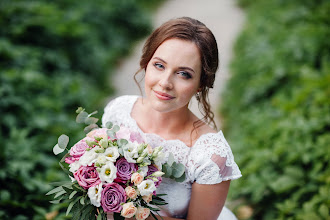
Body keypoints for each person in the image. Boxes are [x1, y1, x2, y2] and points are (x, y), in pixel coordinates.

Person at [102, 17, 242, 220]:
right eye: (159, 65)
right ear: (146, 63)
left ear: (201, 83)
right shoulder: (119, 111)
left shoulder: (211, 155)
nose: (165, 83)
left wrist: (135, 216)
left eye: (184, 74)